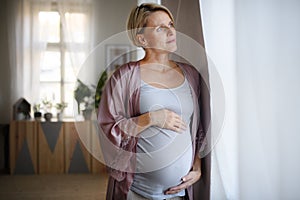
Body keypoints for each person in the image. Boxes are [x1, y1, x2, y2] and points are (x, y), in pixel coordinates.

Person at [98, 3, 206, 200]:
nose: (170, 31)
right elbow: (108, 129)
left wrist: (197, 166)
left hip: (181, 192)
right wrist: (151, 118)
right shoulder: (125, 76)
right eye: (160, 28)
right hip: (137, 191)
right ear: (142, 39)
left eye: (171, 24)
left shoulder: (191, 75)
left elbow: (197, 128)